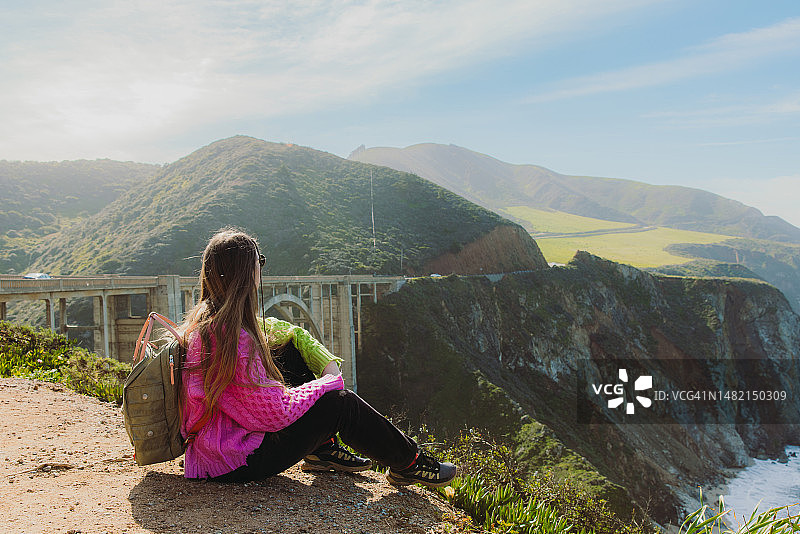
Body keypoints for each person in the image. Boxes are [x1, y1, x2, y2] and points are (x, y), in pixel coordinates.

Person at [178, 228, 457, 487]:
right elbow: (274, 414)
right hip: (236, 459)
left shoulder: (208, 324)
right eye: (259, 262)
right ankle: (410, 463)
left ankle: (322, 450)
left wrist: (300, 348)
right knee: (343, 403)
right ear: (244, 272)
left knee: (285, 349)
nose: (261, 268)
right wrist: (328, 382)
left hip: (214, 449)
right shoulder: (235, 339)